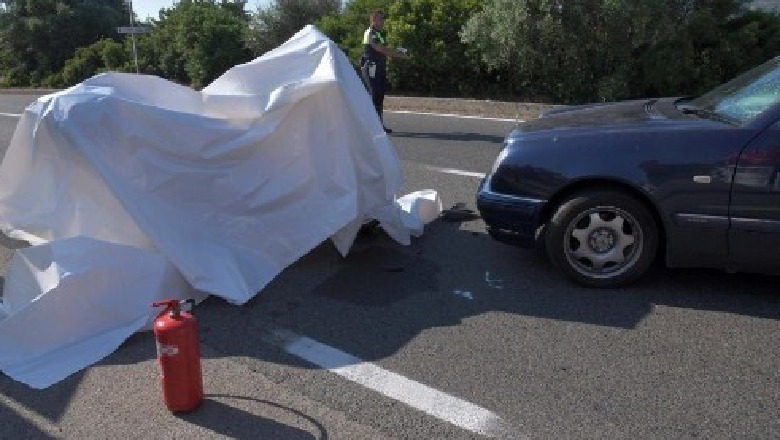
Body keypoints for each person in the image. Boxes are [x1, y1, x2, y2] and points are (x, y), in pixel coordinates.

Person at [359, 10, 409, 133]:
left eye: (383, 18)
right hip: (371, 67)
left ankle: (378, 125)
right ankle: (371, 126)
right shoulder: (371, 32)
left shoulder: (379, 33)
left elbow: (383, 48)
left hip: (378, 67)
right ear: (374, 20)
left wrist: (398, 51)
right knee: (375, 95)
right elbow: (380, 48)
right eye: (381, 18)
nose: (383, 20)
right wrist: (398, 55)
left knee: (379, 96)